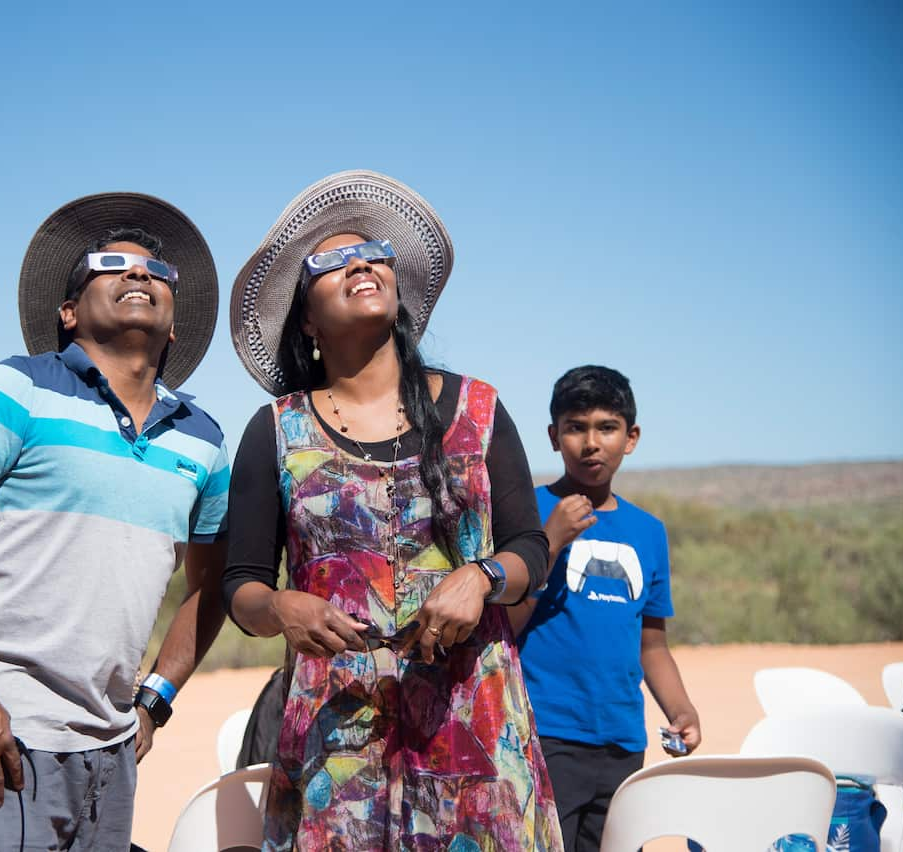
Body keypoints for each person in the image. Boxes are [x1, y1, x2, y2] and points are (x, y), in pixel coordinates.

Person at [225, 170, 562, 850]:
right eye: (331, 261)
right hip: (335, 739)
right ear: (307, 320)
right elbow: (241, 586)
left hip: (474, 725)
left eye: (374, 252)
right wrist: (282, 609)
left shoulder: (479, 410)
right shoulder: (275, 432)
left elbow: (531, 544)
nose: (360, 263)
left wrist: (483, 577)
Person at [0, 192, 230, 851]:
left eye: (157, 272)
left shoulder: (204, 440)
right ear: (68, 312)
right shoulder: (17, 388)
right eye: (111, 264)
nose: (139, 275)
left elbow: (210, 588)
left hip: (111, 748)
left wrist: (153, 702)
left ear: (175, 322)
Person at [508, 365, 701, 852]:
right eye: (575, 427)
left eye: (606, 428)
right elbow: (505, 624)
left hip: (622, 741)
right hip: (543, 734)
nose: (590, 443)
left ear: (630, 437)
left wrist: (681, 710)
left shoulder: (649, 531)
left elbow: (652, 645)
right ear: (554, 437)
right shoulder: (526, 512)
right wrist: (548, 543)